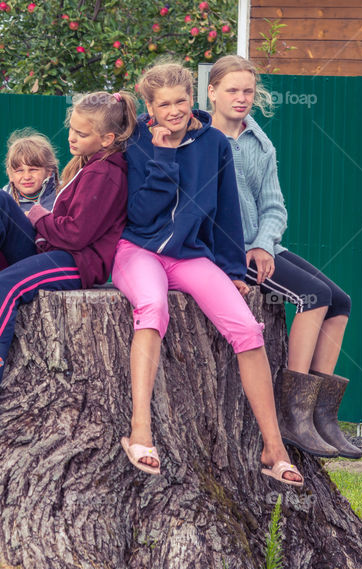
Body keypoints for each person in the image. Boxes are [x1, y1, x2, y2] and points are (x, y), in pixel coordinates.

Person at [112, 61, 303, 486]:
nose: (175, 111)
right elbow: (140, 214)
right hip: (137, 250)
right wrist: (162, 156)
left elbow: (226, 208)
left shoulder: (213, 142)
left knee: (247, 329)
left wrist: (233, 266)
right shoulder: (137, 141)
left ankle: (273, 448)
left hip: (190, 255)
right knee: (152, 309)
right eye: (165, 104)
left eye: (182, 100)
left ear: (193, 98)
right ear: (149, 105)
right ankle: (140, 430)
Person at [0, 91, 137, 427]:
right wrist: (40, 222)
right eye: (72, 129)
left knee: (4, 286)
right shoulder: (90, 164)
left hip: (77, 263)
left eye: (82, 133)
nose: (72, 137)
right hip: (54, 248)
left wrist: (39, 218)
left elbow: (76, 235)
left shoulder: (106, 174)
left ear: (107, 138)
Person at [208, 55, 359, 458]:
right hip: (230, 252)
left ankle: (321, 414)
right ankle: (293, 412)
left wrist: (263, 241)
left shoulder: (261, 143)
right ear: (212, 92)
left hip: (262, 246)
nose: (241, 99)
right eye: (232, 90)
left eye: (247, 92)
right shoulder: (201, 139)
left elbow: (275, 207)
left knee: (340, 301)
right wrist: (245, 250)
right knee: (312, 297)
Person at [2, 128, 59, 213]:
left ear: (49, 171)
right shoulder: (5, 198)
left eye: (33, 170)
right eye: (19, 171)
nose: (27, 177)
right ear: (10, 175)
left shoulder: (61, 195)